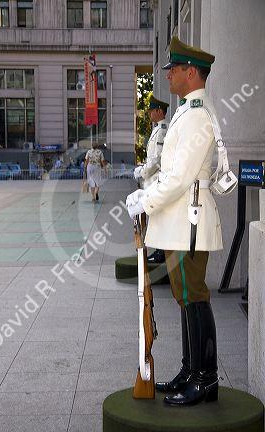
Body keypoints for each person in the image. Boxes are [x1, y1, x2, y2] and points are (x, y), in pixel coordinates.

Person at [126, 36, 223, 406]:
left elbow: (180, 177)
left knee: (195, 298)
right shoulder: (186, 110)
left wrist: (145, 199)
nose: (168, 76)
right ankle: (189, 370)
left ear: (192, 72)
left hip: (191, 220)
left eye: (174, 70)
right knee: (186, 298)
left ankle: (205, 378)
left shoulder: (198, 114)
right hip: (181, 220)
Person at [134, 94, 169, 264]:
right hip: (152, 180)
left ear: (159, 111)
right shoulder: (157, 129)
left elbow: (157, 160)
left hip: (156, 180)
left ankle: (161, 252)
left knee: (158, 216)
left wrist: (142, 172)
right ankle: (159, 251)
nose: (149, 113)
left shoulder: (162, 130)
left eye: (151, 111)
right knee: (154, 216)